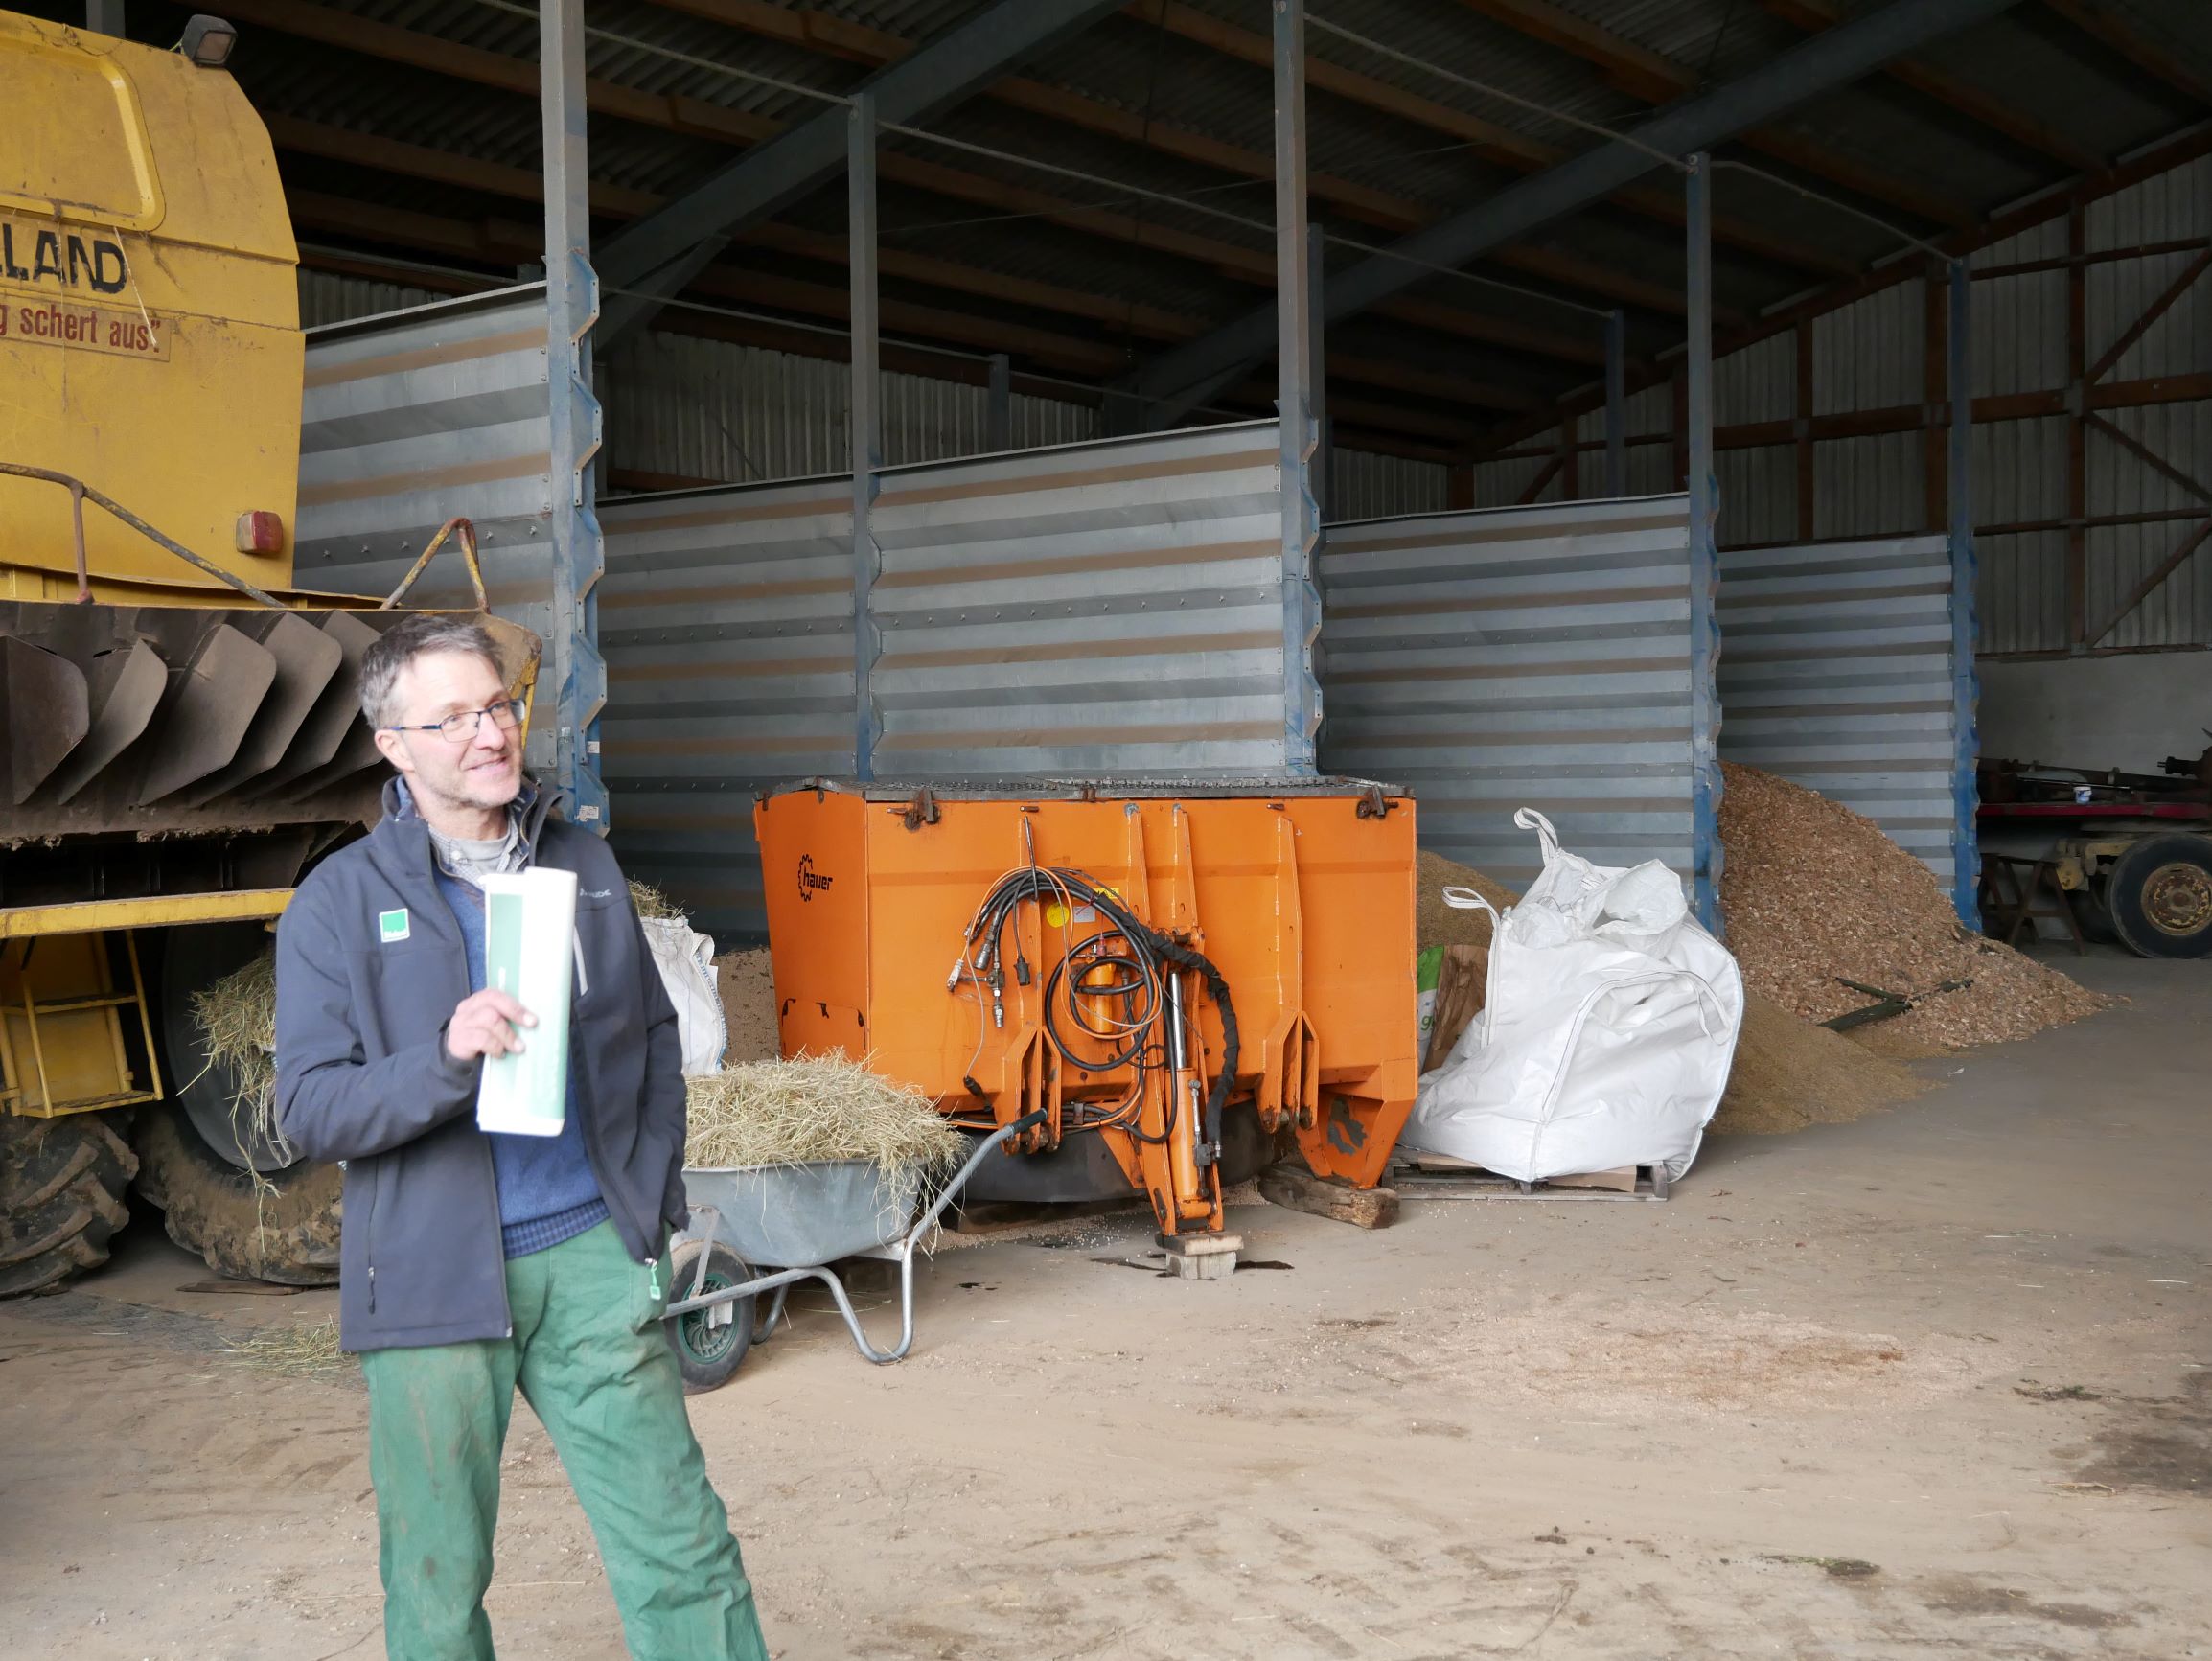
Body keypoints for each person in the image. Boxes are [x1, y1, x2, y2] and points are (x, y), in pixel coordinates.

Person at [273, 612, 768, 1661]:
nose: (489, 733)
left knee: (682, 1544)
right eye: (450, 716)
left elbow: (650, 1032)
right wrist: (446, 1058)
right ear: (393, 746)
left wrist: (648, 1207)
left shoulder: (580, 861)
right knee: (438, 1579)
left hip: (587, 1254)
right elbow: (310, 1108)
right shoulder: (340, 901)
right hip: (430, 1278)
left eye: (496, 704)